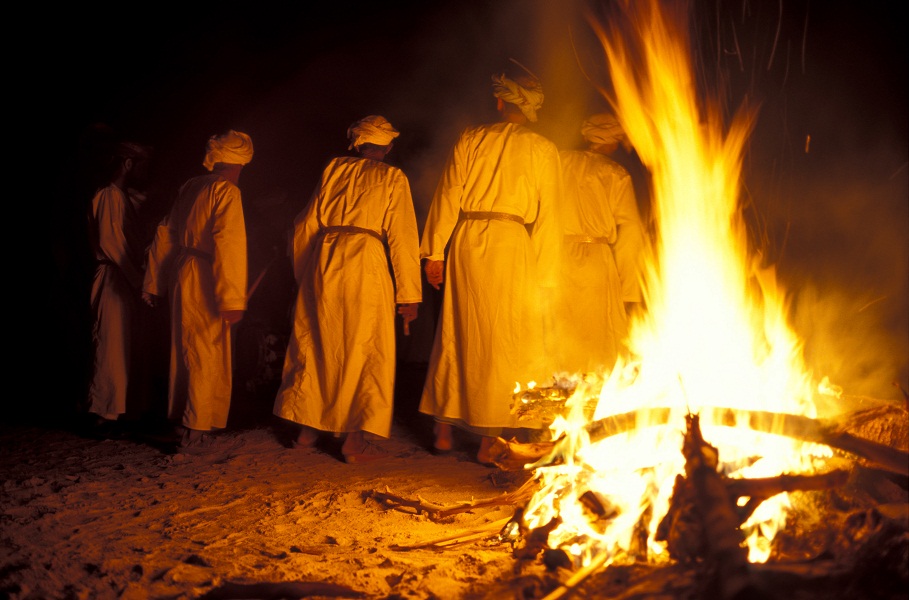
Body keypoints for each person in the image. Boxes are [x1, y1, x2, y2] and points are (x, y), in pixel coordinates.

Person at [418, 63, 563, 465]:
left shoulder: (472, 137)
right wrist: (548, 276)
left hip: (467, 239)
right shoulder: (543, 148)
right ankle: (489, 439)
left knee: (457, 330)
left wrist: (435, 252)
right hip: (512, 245)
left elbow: (449, 192)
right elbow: (550, 215)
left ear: (500, 102)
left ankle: (443, 431)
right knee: (505, 338)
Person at [273, 115, 422, 463]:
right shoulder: (392, 177)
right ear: (388, 146)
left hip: (325, 260)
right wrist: (409, 295)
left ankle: (308, 431)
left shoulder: (334, 169)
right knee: (364, 345)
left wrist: (304, 275)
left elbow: (305, 224)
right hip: (365, 262)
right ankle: (353, 441)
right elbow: (402, 236)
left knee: (318, 341)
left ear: (358, 143)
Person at [142, 130, 254, 452]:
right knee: (205, 349)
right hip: (205, 273)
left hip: (182, 271)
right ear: (241, 162)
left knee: (186, 347)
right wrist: (232, 298)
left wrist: (155, 282)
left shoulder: (192, 186)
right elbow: (229, 245)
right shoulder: (227, 191)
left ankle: (184, 419)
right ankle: (196, 428)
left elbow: (166, 232)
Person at [553, 112, 647, 374]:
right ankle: (592, 390)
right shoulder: (615, 173)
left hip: (557, 254)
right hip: (597, 257)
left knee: (560, 325)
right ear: (614, 142)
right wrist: (628, 288)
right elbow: (630, 229)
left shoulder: (558, 161)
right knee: (597, 329)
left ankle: (561, 388)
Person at [85, 141, 153, 437]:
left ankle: (121, 412)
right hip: (114, 278)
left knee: (124, 345)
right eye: (140, 165)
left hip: (123, 279)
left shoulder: (122, 197)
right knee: (111, 345)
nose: (144, 172)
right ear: (127, 164)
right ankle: (102, 415)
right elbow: (112, 243)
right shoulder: (109, 195)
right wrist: (139, 281)